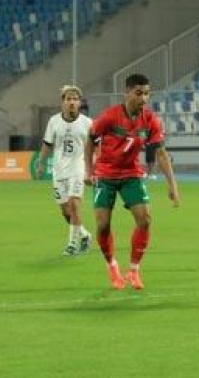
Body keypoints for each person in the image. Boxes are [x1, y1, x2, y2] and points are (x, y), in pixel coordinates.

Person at [84, 73, 180, 290]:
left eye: (146, 93)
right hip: (105, 175)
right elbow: (89, 141)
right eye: (139, 93)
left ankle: (134, 270)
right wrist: (88, 171)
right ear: (126, 93)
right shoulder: (109, 117)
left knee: (145, 220)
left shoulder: (151, 120)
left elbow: (161, 154)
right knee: (102, 225)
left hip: (131, 174)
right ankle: (112, 266)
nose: (143, 98)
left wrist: (172, 186)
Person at [36, 85, 93, 256]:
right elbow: (47, 144)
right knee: (66, 211)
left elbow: (95, 148)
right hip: (59, 170)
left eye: (75, 99)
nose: (72, 102)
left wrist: (92, 170)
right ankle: (85, 235)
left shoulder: (88, 123)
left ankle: (72, 244)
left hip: (78, 168)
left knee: (75, 205)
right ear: (63, 102)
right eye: (68, 99)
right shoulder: (54, 121)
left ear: (80, 102)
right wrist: (41, 163)